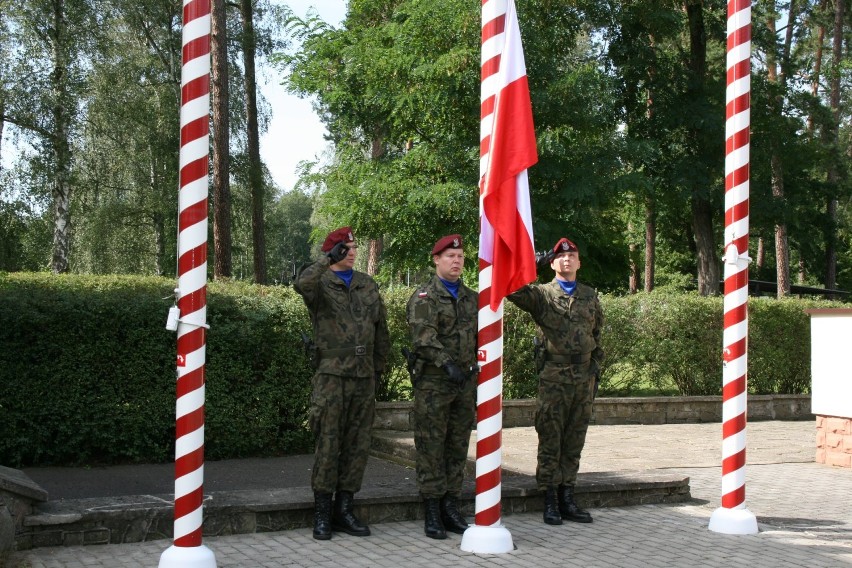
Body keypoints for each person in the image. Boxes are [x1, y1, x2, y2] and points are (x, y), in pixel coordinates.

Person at [294, 226, 391, 540]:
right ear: (333, 251)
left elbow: (381, 330)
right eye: (345, 248)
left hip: (364, 377)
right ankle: (322, 513)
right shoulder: (320, 283)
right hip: (332, 375)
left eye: (352, 247)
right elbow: (300, 283)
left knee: (357, 445)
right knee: (329, 444)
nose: (351, 252)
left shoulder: (366, 284)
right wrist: (325, 260)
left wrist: (379, 370)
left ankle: (344, 509)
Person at [507, 237, 604, 525]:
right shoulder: (542, 295)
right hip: (554, 377)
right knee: (550, 438)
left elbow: (597, 334)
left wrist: (595, 366)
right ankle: (549, 498)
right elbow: (509, 288)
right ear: (552, 263)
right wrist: (528, 267)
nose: (567, 260)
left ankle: (567, 496)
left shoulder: (589, 295)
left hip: (583, 378)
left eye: (572, 255)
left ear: (578, 262)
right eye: (561, 257)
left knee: (575, 439)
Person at [406, 235, 478, 539]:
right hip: (435, 384)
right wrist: (446, 363)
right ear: (436, 259)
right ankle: (432, 510)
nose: (457, 261)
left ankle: (451, 506)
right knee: (431, 447)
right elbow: (423, 336)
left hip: (464, 385)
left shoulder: (473, 297)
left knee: (457, 446)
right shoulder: (425, 296)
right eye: (450, 255)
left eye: (460, 256)